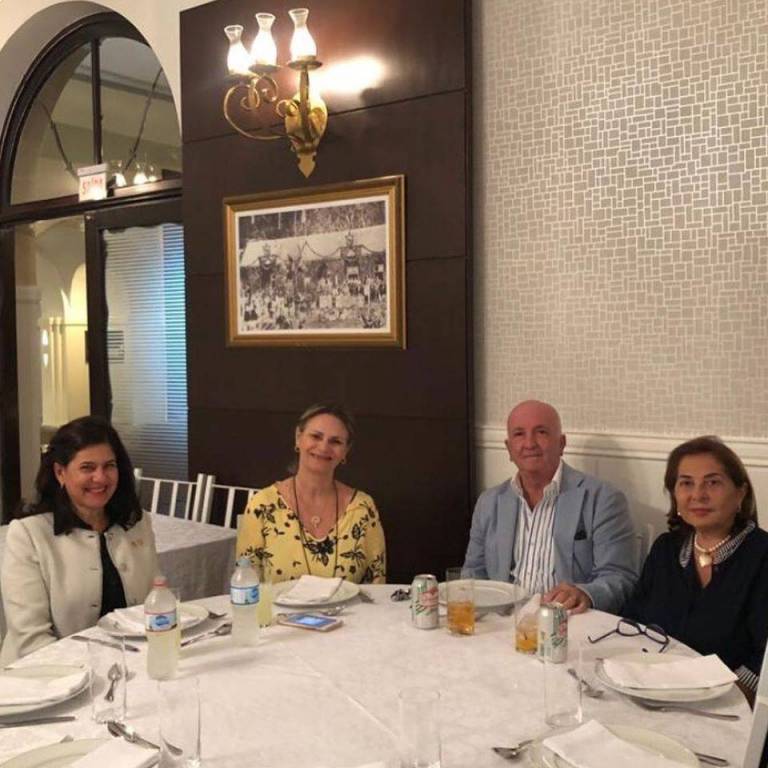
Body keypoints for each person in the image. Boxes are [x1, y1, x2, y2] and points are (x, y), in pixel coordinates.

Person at [0, 416, 158, 664]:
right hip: (48, 674)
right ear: (60, 473)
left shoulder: (137, 524)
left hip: (130, 667)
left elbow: (156, 603)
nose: (101, 478)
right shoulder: (29, 534)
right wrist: (93, 674)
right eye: (87, 468)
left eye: (109, 466)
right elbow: (31, 640)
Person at [622, 436, 768, 700]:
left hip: (726, 705)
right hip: (654, 690)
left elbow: (763, 659)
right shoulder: (665, 548)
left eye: (713, 482)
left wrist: (726, 697)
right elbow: (634, 618)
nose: (698, 495)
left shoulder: (762, 556)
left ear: (740, 493)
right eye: (686, 483)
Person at [463, 400, 637, 613]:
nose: (529, 443)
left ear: (561, 444)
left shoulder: (603, 499)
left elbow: (620, 577)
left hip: (568, 621)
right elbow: (473, 573)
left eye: (541, 432)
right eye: (519, 434)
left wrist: (585, 594)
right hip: (502, 621)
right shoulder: (489, 502)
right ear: (509, 448)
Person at [236, 404, 386, 583]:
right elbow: (245, 584)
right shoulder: (263, 504)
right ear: (298, 438)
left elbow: (376, 583)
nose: (323, 447)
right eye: (316, 436)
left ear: (345, 451)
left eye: (335, 441)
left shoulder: (363, 508)